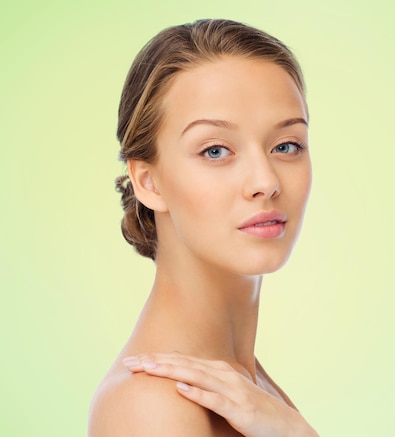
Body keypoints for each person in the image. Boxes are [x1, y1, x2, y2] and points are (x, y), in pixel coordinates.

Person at [88, 19, 318, 437]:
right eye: (215, 150)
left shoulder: (248, 389)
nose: (265, 181)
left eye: (286, 146)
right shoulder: (151, 406)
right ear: (147, 181)